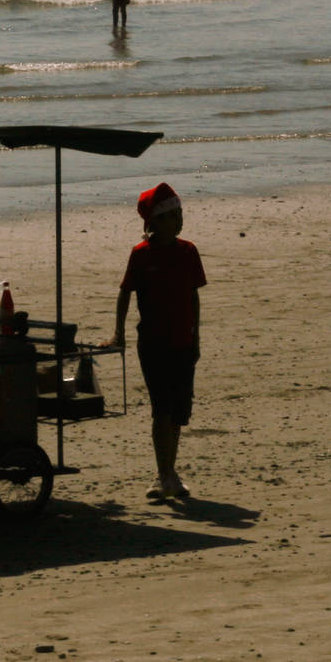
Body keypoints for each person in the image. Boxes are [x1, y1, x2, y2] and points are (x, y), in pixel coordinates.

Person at [106, 182, 207, 501]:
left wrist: (196, 337)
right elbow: (125, 293)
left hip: (183, 343)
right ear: (158, 222)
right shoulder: (141, 255)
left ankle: (169, 472)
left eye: (180, 213)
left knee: (178, 411)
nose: (180, 219)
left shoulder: (188, 252)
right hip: (152, 344)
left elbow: (193, 298)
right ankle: (163, 474)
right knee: (160, 409)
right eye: (174, 214)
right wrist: (118, 333)